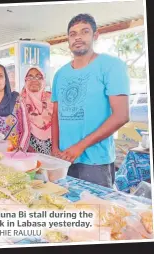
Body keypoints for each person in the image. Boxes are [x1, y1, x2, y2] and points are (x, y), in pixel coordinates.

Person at [51, 14, 130, 188]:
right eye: (72, 34)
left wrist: (80, 147)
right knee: (66, 209)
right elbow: (55, 114)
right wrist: (54, 148)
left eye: (84, 31)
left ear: (95, 36)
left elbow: (121, 116)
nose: (77, 37)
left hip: (96, 161)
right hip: (63, 159)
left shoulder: (111, 66)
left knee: (97, 211)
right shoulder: (60, 74)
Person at [21, 66, 53, 155]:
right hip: (27, 153)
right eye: (30, 77)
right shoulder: (18, 102)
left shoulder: (52, 100)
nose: (34, 80)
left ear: (43, 81)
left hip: (53, 152)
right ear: (25, 81)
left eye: (39, 77)